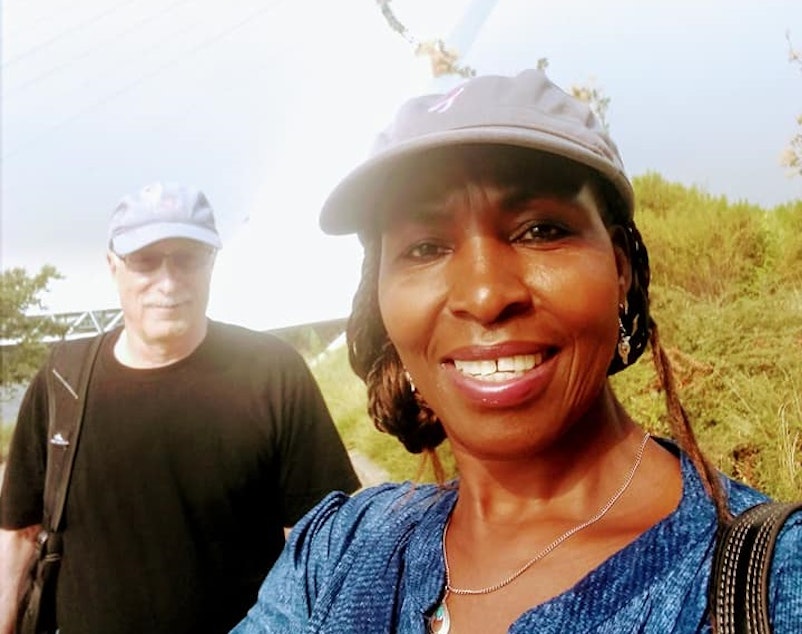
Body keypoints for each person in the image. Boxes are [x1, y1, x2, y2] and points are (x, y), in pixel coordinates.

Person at [231, 69, 802, 633]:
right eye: (426, 246)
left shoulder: (773, 587)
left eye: (541, 231)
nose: (484, 295)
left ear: (620, 270)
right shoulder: (336, 558)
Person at [0, 181, 361, 634]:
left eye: (187, 259)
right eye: (145, 261)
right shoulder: (63, 380)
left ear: (211, 263)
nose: (168, 283)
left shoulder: (272, 373)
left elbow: (322, 544)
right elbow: (18, 535)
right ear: (113, 267)